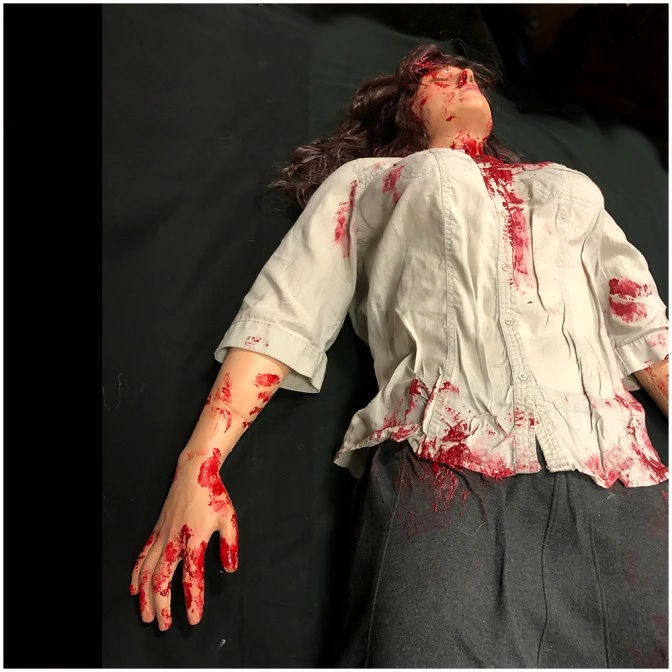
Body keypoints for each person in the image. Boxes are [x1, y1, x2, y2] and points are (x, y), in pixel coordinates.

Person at [128, 44, 669, 667]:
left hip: (619, 479)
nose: (462, 76)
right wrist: (199, 464)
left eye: (466, 72)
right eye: (436, 79)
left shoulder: (562, 185)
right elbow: (286, 313)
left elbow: (643, 329)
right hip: (445, 469)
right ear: (406, 111)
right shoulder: (371, 181)